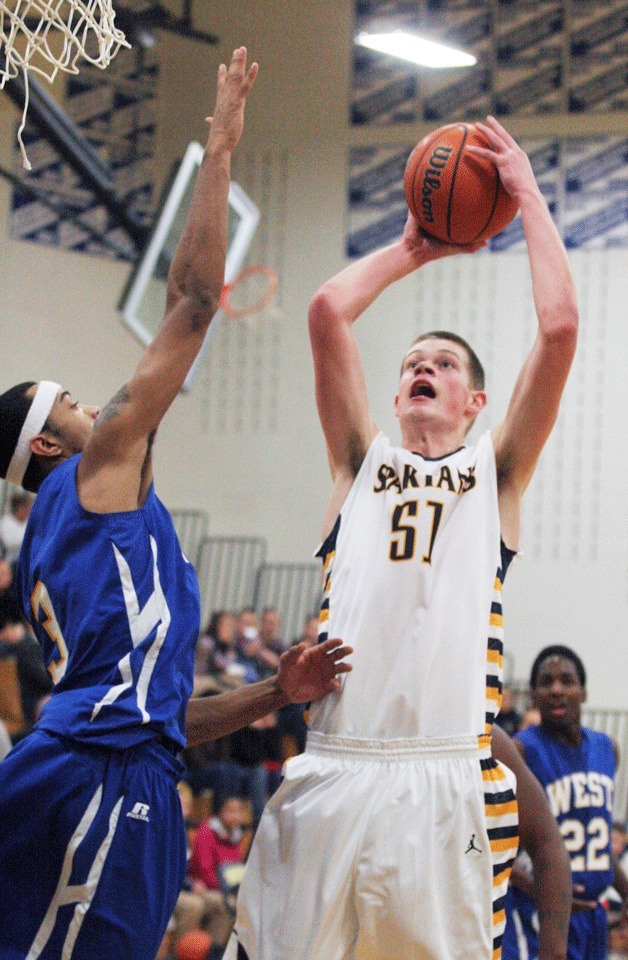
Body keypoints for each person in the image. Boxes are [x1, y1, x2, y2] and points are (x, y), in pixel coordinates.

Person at [0, 49, 351, 960]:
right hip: (99, 778)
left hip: (120, 767)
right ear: (48, 444)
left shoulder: (66, 539)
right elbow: (194, 302)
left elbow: (164, 723)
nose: (98, 406)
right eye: (72, 403)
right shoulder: (95, 475)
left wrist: (277, 692)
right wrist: (221, 147)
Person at [225, 116, 579, 960]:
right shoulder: (359, 462)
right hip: (335, 763)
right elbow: (327, 312)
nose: (425, 366)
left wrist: (527, 195)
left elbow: (561, 329)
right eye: (414, 361)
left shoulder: (495, 475)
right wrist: (415, 249)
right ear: (393, 396)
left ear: (475, 404)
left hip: (446, 776)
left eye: (445, 364)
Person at [503, 645, 628, 960]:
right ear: (533, 696)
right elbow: (499, 849)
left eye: (567, 681)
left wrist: (625, 890)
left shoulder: (607, 748)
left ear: (583, 693)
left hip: (594, 914)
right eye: (546, 682)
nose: (556, 690)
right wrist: (546, 890)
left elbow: (596, 841)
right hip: (540, 912)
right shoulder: (520, 752)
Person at [0, 492, 33, 564]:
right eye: (28, 509)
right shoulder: (6, 522)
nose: (29, 512)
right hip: (10, 562)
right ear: (20, 508)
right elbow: (9, 543)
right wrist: (28, 540)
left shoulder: (29, 523)